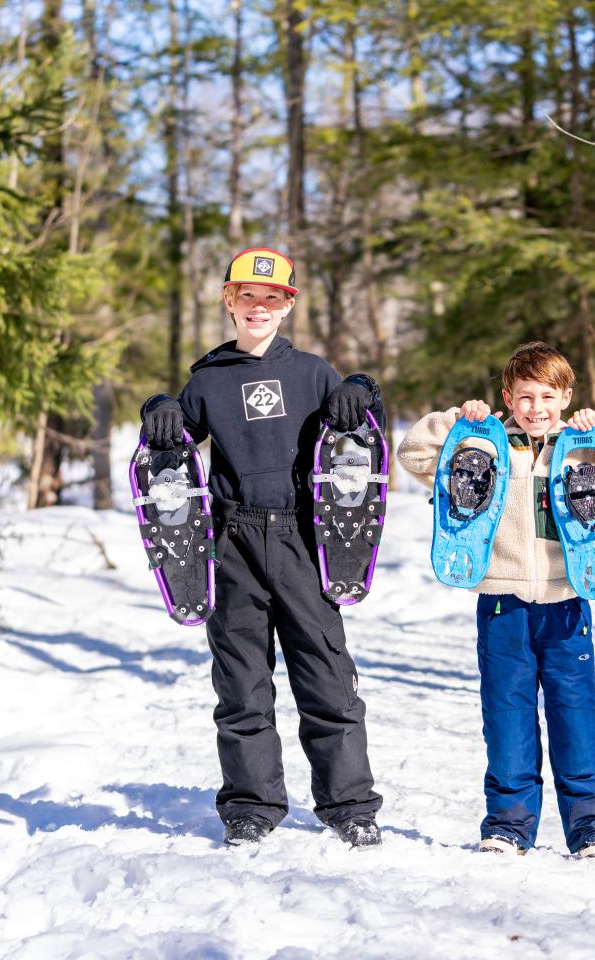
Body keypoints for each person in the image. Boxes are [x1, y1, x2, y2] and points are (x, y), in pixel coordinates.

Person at [140, 247, 384, 848]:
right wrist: (159, 409)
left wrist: (361, 387)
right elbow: (173, 445)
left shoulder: (312, 372)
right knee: (242, 682)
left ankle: (349, 804)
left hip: (305, 537)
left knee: (326, 675)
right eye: (247, 296)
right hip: (232, 542)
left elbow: (356, 435)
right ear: (229, 301)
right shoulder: (207, 382)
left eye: (271, 298)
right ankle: (251, 805)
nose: (258, 307)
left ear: (288, 306)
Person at [396, 342, 595, 861]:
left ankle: (593, 827)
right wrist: (459, 420)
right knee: (507, 717)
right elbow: (411, 453)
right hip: (503, 605)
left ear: (567, 397)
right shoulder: (483, 450)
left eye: (549, 395)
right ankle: (507, 825)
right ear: (507, 397)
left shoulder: (588, 453)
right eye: (525, 396)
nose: (536, 406)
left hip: (568, 603)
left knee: (576, 716)